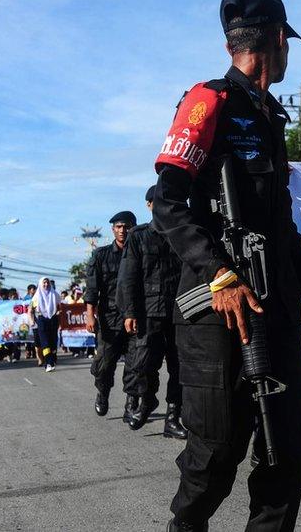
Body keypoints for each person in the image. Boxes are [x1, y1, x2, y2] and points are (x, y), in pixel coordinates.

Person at [151, 0, 301, 529]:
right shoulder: (207, 101)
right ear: (279, 39)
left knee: (286, 459)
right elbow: (165, 201)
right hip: (218, 316)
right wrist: (218, 273)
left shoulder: (270, 117)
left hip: (277, 310)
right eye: (289, 45)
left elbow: (282, 226)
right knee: (213, 459)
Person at [116, 185, 187, 439]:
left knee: (180, 368)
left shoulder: (184, 233)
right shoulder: (139, 236)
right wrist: (129, 312)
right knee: (143, 365)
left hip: (181, 310)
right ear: (149, 205)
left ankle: (173, 417)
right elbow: (128, 277)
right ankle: (147, 400)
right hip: (149, 313)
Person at [86, 211, 138, 420]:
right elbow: (92, 288)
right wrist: (90, 315)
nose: (122, 230)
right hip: (109, 318)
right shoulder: (101, 255)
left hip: (135, 317)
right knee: (104, 365)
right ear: (112, 229)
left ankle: (131, 404)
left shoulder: (140, 253)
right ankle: (103, 392)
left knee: (136, 363)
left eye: (126, 226)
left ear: (133, 228)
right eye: (118, 226)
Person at [29, 277, 61, 372]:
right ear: (40, 284)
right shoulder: (36, 296)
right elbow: (30, 310)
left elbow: (60, 307)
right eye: (44, 283)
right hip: (41, 320)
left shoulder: (55, 294)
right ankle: (48, 364)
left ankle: (53, 357)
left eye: (47, 283)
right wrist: (32, 321)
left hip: (53, 319)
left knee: (53, 342)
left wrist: (59, 313)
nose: (46, 285)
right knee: (45, 342)